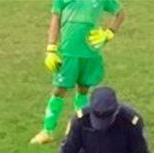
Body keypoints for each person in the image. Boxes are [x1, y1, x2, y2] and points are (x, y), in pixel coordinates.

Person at [30, 0, 125, 145]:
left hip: (90, 54)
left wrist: (108, 34)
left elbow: (120, 13)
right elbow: (55, 19)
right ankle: (47, 130)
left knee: (83, 90)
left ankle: (76, 127)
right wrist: (51, 48)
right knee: (59, 90)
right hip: (68, 54)